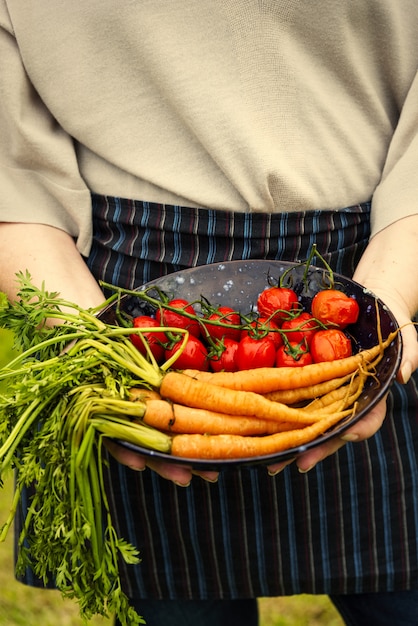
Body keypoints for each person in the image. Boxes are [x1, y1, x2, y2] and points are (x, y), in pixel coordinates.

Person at [0, 2, 417, 625]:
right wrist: (84, 336)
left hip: (370, 287)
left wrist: (388, 299)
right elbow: (14, 178)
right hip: (128, 319)